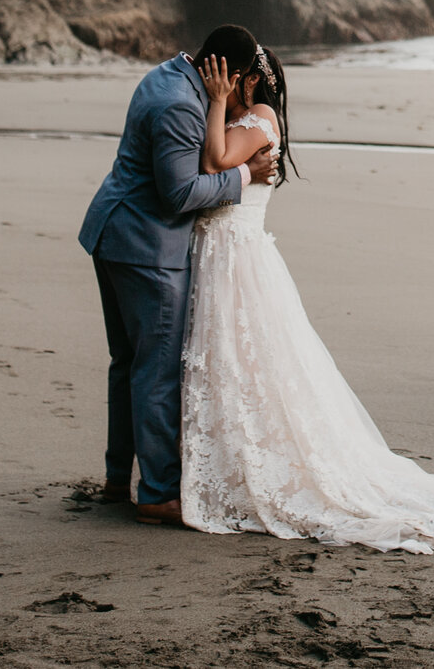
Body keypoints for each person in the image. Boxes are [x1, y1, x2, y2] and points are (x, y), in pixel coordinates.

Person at [176, 33, 434, 553]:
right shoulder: (245, 112)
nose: (222, 86)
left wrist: (218, 102)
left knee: (250, 365)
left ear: (251, 79)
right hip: (221, 254)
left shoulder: (259, 115)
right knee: (231, 366)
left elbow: (216, 162)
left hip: (237, 260)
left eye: (230, 79)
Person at [78, 26, 278, 525]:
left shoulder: (165, 74)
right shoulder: (180, 105)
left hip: (116, 234)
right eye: (242, 82)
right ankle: (159, 495)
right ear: (226, 76)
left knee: (127, 363)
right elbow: (179, 193)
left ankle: (114, 479)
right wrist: (245, 176)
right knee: (156, 370)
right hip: (146, 247)